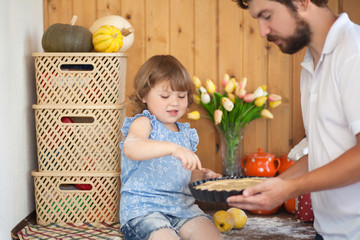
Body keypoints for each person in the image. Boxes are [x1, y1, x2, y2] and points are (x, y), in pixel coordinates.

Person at [227, 0, 360, 239]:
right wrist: (274, 185)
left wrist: (290, 188)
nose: (262, 31)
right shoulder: (311, 64)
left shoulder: (353, 53)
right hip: (329, 232)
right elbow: (325, 152)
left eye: (267, 16)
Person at [119, 55, 223, 240]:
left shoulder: (186, 133)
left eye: (181, 96)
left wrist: (203, 177)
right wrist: (173, 148)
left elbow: (185, 174)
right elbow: (132, 147)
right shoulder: (145, 123)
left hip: (182, 208)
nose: (175, 102)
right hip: (144, 209)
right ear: (144, 96)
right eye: (165, 96)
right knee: (165, 237)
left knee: (210, 235)